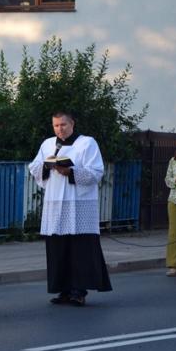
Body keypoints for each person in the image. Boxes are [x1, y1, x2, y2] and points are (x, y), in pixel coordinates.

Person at [28, 111, 112, 306]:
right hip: (55, 203)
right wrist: (46, 166)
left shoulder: (87, 143)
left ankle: (78, 291)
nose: (60, 129)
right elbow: (34, 167)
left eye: (63, 125)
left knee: (79, 249)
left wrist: (70, 172)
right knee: (58, 248)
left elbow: (96, 172)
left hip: (78, 203)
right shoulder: (48, 144)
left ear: (72, 124)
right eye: (56, 125)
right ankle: (63, 290)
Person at [164, 138, 176, 276]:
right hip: (174, 200)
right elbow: (167, 180)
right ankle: (173, 266)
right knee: (174, 233)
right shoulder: (173, 160)